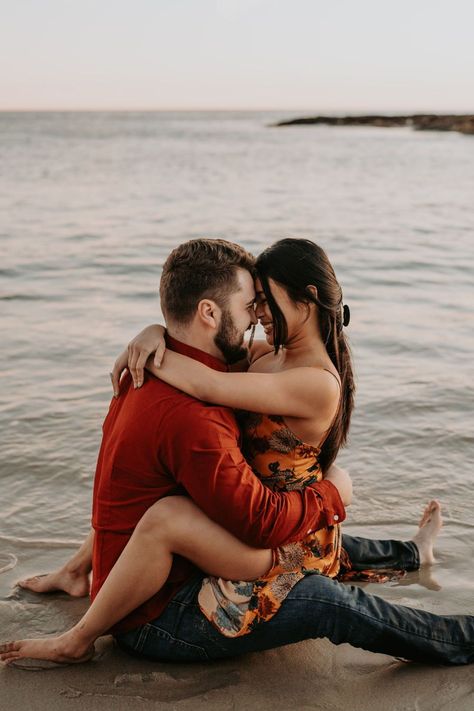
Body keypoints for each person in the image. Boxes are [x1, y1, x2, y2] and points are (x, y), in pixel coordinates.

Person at [1, 238, 472, 667]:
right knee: (318, 559)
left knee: (325, 589)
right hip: (257, 541)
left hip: (281, 529)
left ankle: (458, 635)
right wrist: (154, 332)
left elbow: (212, 384)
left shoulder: (297, 379)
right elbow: (209, 390)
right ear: (210, 312)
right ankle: (414, 554)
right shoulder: (263, 359)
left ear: (305, 301)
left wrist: (333, 492)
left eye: (264, 301)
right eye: (253, 303)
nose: (257, 315)